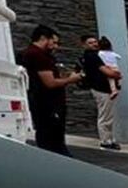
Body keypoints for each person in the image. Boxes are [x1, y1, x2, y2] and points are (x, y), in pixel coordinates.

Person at [20, 25, 83, 155]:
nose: (55, 46)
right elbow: (50, 83)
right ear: (43, 38)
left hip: (41, 102)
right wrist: (72, 79)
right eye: (53, 42)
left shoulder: (29, 53)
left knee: (47, 136)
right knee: (53, 139)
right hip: (48, 104)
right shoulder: (39, 56)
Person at [81, 35, 121, 150]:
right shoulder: (92, 56)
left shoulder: (94, 55)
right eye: (90, 42)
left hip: (101, 88)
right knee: (105, 115)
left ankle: (109, 138)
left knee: (107, 115)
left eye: (95, 42)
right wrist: (115, 74)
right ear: (84, 44)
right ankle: (106, 141)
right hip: (101, 89)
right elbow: (106, 71)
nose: (94, 44)